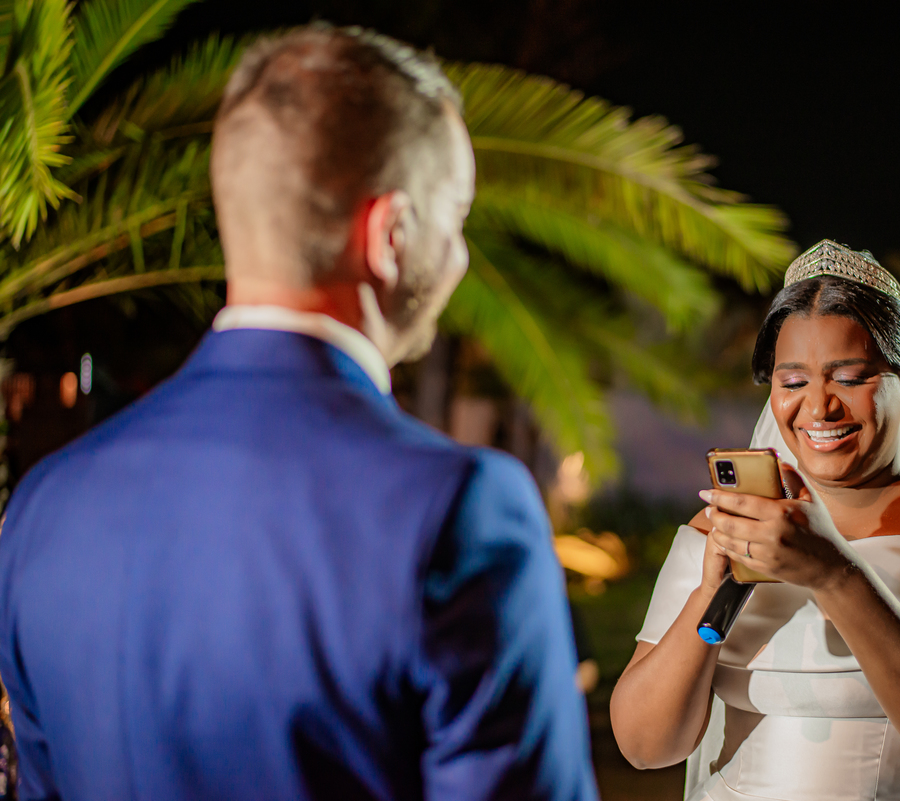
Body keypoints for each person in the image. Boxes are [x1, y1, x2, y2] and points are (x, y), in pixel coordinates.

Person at [0, 27, 597, 801]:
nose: (460, 257)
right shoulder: (460, 511)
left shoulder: (46, 504)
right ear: (391, 236)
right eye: (455, 220)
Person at [610, 240, 900, 801]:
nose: (819, 408)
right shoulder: (721, 529)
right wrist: (711, 596)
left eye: (850, 377)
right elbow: (645, 747)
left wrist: (835, 574)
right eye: (794, 382)